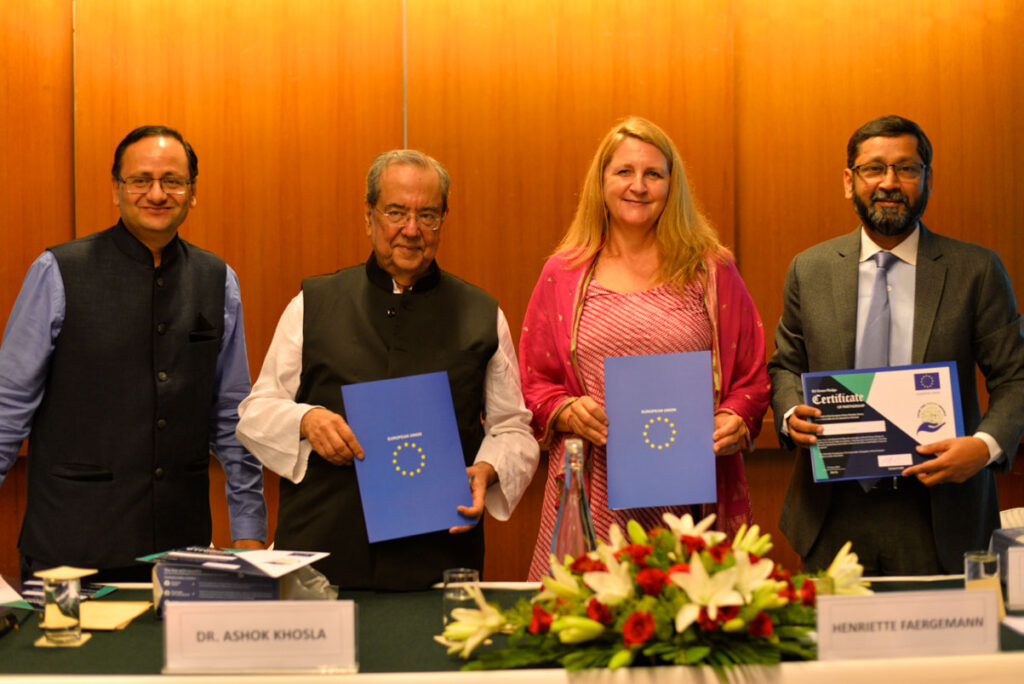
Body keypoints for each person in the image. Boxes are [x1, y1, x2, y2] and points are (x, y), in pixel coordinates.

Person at [236, 149, 539, 590]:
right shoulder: (314, 304)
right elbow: (255, 412)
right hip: (321, 557)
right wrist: (306, 419)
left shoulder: (481, 313)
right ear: (369, 215)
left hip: (438, 558)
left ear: (443, 219)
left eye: (428, 215)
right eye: (396, 212)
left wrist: (489, 468)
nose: (411, 230)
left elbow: (514, 427)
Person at [0, 125, 267, 581]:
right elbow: (7, 409)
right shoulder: (58, 271)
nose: (157, 193)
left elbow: (230, 416)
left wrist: (248, 529)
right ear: (116, 190)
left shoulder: (218, 279)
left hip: (181, 552)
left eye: (173, 181)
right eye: (140, 180)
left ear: (192, 192)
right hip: (68, 550)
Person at [769, 115, 1024, 575]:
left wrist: (985, 447)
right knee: (830, 647)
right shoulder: (810, 269)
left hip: (940, 513)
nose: (890, 183)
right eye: (874, 169)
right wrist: (790, 415)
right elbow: (785, 364)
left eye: (907, 169)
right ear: (850, 181)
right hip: (831, 512)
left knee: (948, 647)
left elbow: (1016, 376)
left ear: (928, 178)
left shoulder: (977, 270)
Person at [520, 117, 771, 580]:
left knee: (689, 627)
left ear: (671, 185)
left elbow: (753, 374)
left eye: (653, 174)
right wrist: (567, 409)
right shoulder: (564, 272)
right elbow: (534, 380)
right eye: (624, 172)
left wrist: (737, 417)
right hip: (593, 490)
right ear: (602, 182)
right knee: (587, 631)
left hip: (692, 494)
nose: (638, 186)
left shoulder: (711, 268)